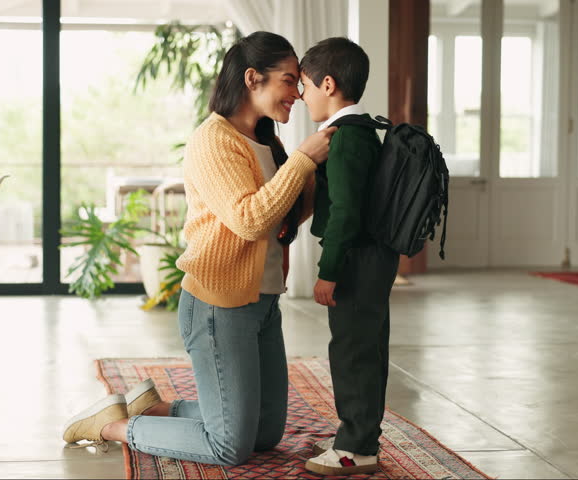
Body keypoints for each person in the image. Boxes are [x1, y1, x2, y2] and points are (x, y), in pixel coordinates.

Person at [61, 31, 337, 467]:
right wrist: (303, 160)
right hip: (217, 306)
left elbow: (280, 219)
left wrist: (317, 178)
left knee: (265, 434)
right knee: (229, 447)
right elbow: (249, 220)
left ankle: (152, 407)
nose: (298, 95)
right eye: (288, 81)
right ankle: (110, 425)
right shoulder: (214, 140)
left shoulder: (268, 142)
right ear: (252, 79)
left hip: (263, 302)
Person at [298, 37, 398, 476]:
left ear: (328, 84)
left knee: (353, 353)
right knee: (367, 348)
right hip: (373, 258)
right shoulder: (362, 131)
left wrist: (328, 272)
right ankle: (361, 437)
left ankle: (356, 449)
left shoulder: (344, 140)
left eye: (303, 86)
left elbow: (344, 214)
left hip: (356, 261)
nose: (301, 96)